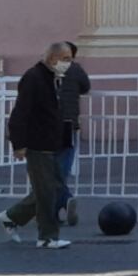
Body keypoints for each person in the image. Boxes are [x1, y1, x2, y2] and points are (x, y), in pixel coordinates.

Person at [0, 41, 74, 250]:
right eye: (66, 59)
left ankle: (11, 216)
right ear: (53, 59)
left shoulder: (52, 78)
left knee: (53, 188)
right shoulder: (33, 78)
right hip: (38, 144)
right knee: (47, 192)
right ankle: (47, 237)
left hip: (52, 142)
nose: (69, 63)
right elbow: (20, 113)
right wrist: (19, 144)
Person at [53, 40, 89, 228]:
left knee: (47, 170)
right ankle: (63, 202)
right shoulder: (75, 70)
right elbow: (85, 86)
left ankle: (59, 204)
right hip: (68, 125)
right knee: (62, 167)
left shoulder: (45, 70)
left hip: (47, 126)